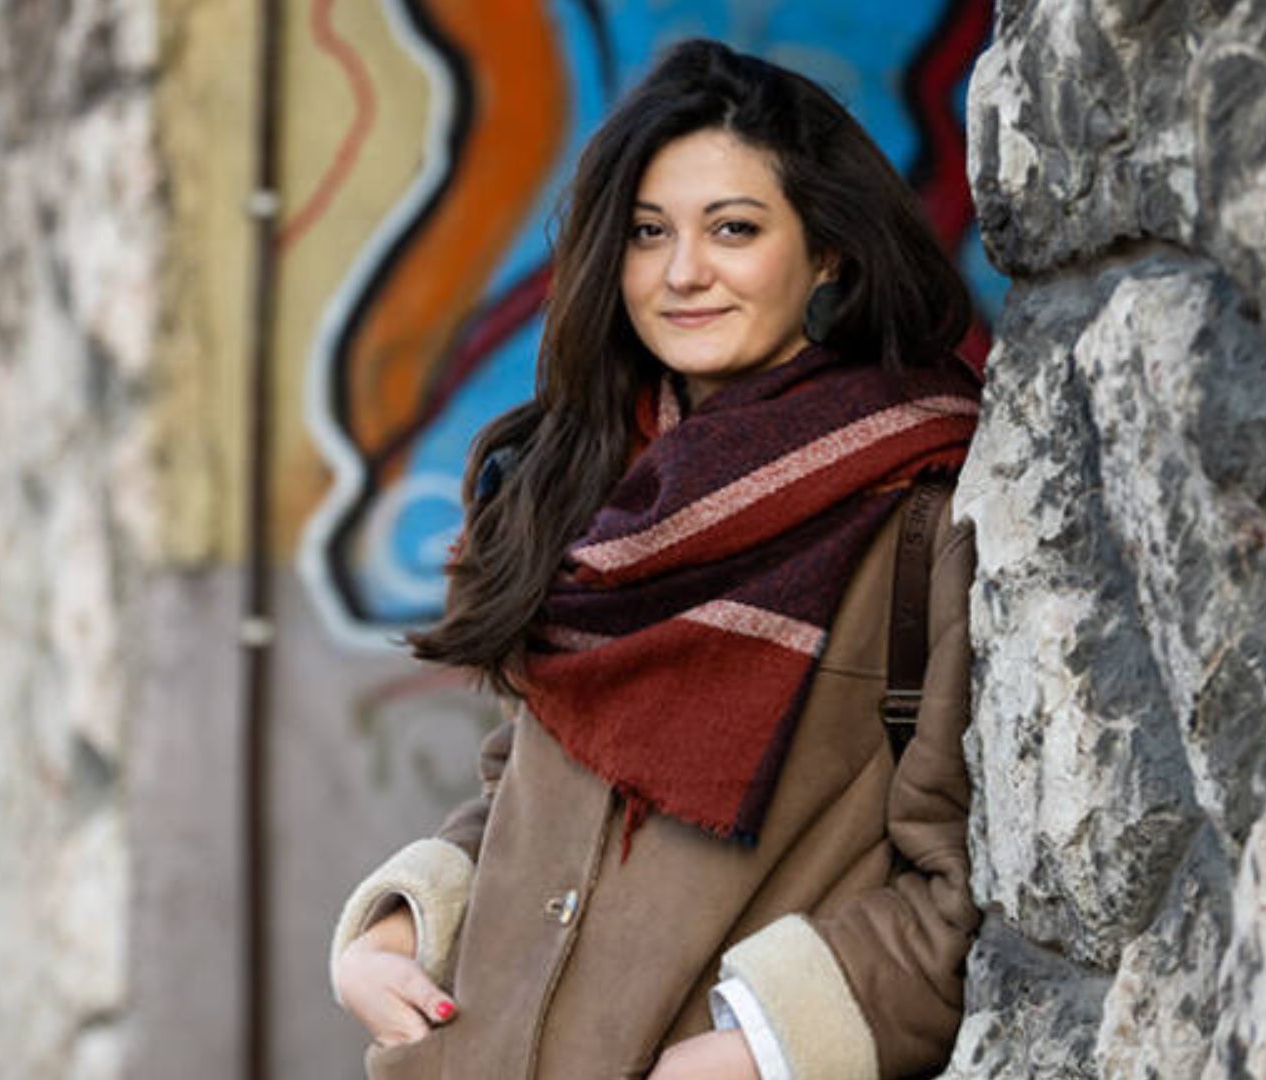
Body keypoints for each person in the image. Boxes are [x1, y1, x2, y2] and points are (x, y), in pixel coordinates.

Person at [330, 38, 983, 1080]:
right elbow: (527, 792)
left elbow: (966, 890)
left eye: (734, 229)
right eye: (648, 233)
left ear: (826, 252)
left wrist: (756, 1051)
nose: (683, 273)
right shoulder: (582, 484)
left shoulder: (917, 512)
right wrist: (404, 928)